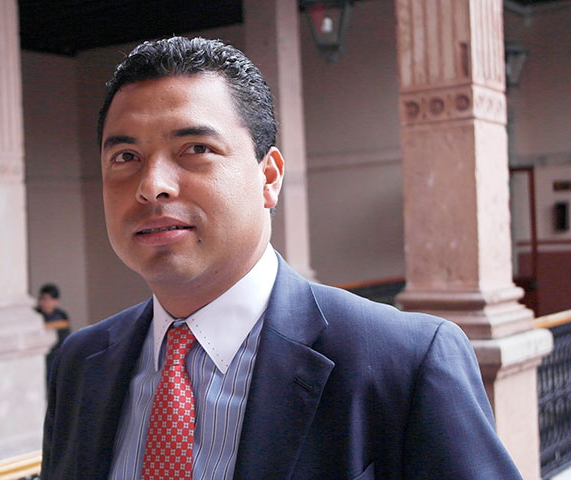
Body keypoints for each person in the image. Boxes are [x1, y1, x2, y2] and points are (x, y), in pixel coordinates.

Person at [41, 36, 522, 479]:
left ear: (269, 177)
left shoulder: (406, 362)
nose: (152, 186)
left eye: (195, 148)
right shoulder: (81, 364)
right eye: (125, 157)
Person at [36, 283, 70, 382]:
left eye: (47, 299)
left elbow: (65, 338)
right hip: (41, 358)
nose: (43, 302)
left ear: (56, 301)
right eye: (41, 299)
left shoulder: (61, 316)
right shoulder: (36, 315)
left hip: (56, 357)